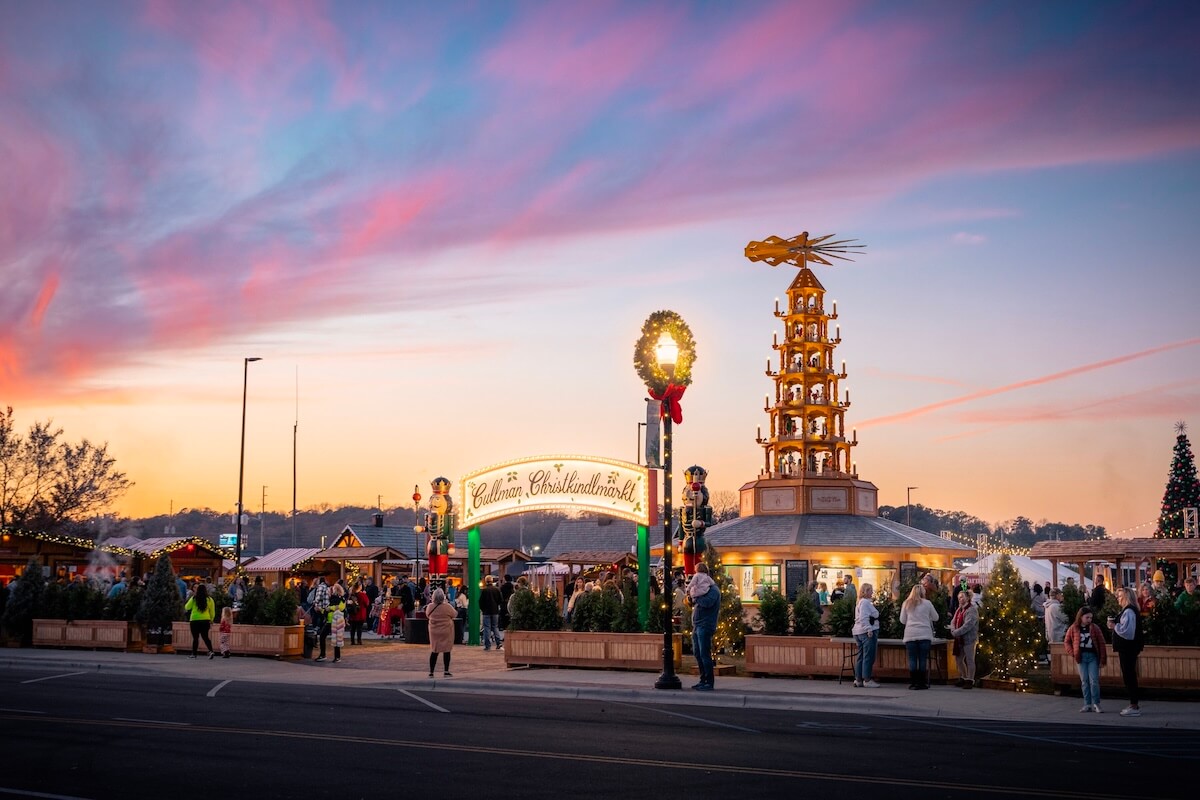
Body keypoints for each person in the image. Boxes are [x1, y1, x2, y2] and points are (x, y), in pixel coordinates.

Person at [1063, 605, 1107, 712]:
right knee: (1084, 681)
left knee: (1094, 680)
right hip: (1081, 657)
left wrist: (1102, 659)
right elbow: (1067, 641)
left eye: (1091, 618)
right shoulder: (1074, 628)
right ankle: (1087, 704)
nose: (1089, 620)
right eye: (1087, 617)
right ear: (1081, 617)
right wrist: (1073, 652)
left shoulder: (1094, 628)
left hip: (1092, 657)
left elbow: (1101, 643)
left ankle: (1096, 703)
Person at [686, 563, 721, 691]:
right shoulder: (700, 590)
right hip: (697, 625)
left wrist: (696, 598)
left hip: (706, 625)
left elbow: (707, 603)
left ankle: (709, 682)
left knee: (704, 653)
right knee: (697, 653)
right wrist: (691, 597)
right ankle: (703, 679)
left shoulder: (713, 590)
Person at [1109, 587, 1142, 717]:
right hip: (1128, 648)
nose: (1118, 598)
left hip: (1127, 648)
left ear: (1126, 597)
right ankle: (1133, 703)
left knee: (1129, 676)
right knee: (1129, 675)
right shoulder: (1128, 611)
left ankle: (1134, 705)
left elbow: (1127, 632)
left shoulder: (1129, 611)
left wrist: (1114, 626)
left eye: (1120, 596)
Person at [899, 585, 938, 690]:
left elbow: (902, 620)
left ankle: (913, 682)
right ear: (923, 593)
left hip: (910, 634)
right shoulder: (927, 603)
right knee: (922, 659)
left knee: (912, 659)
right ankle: (921, 682)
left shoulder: (906, 603)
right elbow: (936, 617)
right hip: (924, 634)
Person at [851, 582, 880, 688]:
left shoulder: (860, 602)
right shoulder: (865, 603)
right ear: (866, 591)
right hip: (866, 632)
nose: (872, 592)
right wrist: (869, 629)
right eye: (871, 590)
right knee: (868, 656)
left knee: (861, 656)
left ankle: (858, 679)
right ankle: (867, 679)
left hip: (858, 631)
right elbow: (864, 617)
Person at [949, 587, 979, 689]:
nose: (960, 599)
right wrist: (953, 629)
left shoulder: (971, 610)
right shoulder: (959, 609)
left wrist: (956, 632)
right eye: (959, 597)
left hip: (969, 639)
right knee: (959, 659)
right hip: (959, 639)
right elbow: (953, 621)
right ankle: (963, 677)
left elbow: (968, 625)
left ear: (967, 597)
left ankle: (970, 679)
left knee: (970, 660)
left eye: (962, 597)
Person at [426, 588, 458, 677]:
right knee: (447, 650)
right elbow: (455, 614)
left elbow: (427, 615)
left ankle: (431, 672)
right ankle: (446, 670)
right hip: (446, 630)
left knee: (434, 650)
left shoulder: (430, 606)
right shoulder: (447, 607)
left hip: (434, 631)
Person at [184, 583, 216, 660]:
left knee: (195, 638)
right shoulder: (209, 599)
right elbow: (212, 611)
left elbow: (187, 607)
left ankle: (194, 654)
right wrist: (211, 619)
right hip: (205, 620)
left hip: (194, 620)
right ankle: (211, 651)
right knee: (205, 637)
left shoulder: (194, 598)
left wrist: (192, 598)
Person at [318, 585, 346, 663]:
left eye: (333, 589)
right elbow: (328, 610)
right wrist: (321, 610)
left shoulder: (341, 599)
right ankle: (322, 654)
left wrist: (330, 608)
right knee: (322, 636)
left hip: (336, 621)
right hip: (329, 621)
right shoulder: (332, 600)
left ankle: (337, 657)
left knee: (336, 638)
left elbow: (341, 607)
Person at [479, 575, 504, 651]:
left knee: (487, 628)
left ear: (486, 581)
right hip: (495, 611)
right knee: (495, 627)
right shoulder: (496, 589)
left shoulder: (484, 590)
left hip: (486, 612)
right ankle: (498, 643)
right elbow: (500, 600)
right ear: (492, 581)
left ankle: (488, 645)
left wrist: (483, 609)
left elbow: (481, 602)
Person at [347, 581, 369, 645]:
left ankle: (352, 641)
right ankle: (359, 640)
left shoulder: (351, 594)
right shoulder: (362, 595)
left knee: (352, 628)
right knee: (359, 628)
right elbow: (367, 603)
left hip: (352, 614)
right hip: (360, 614)